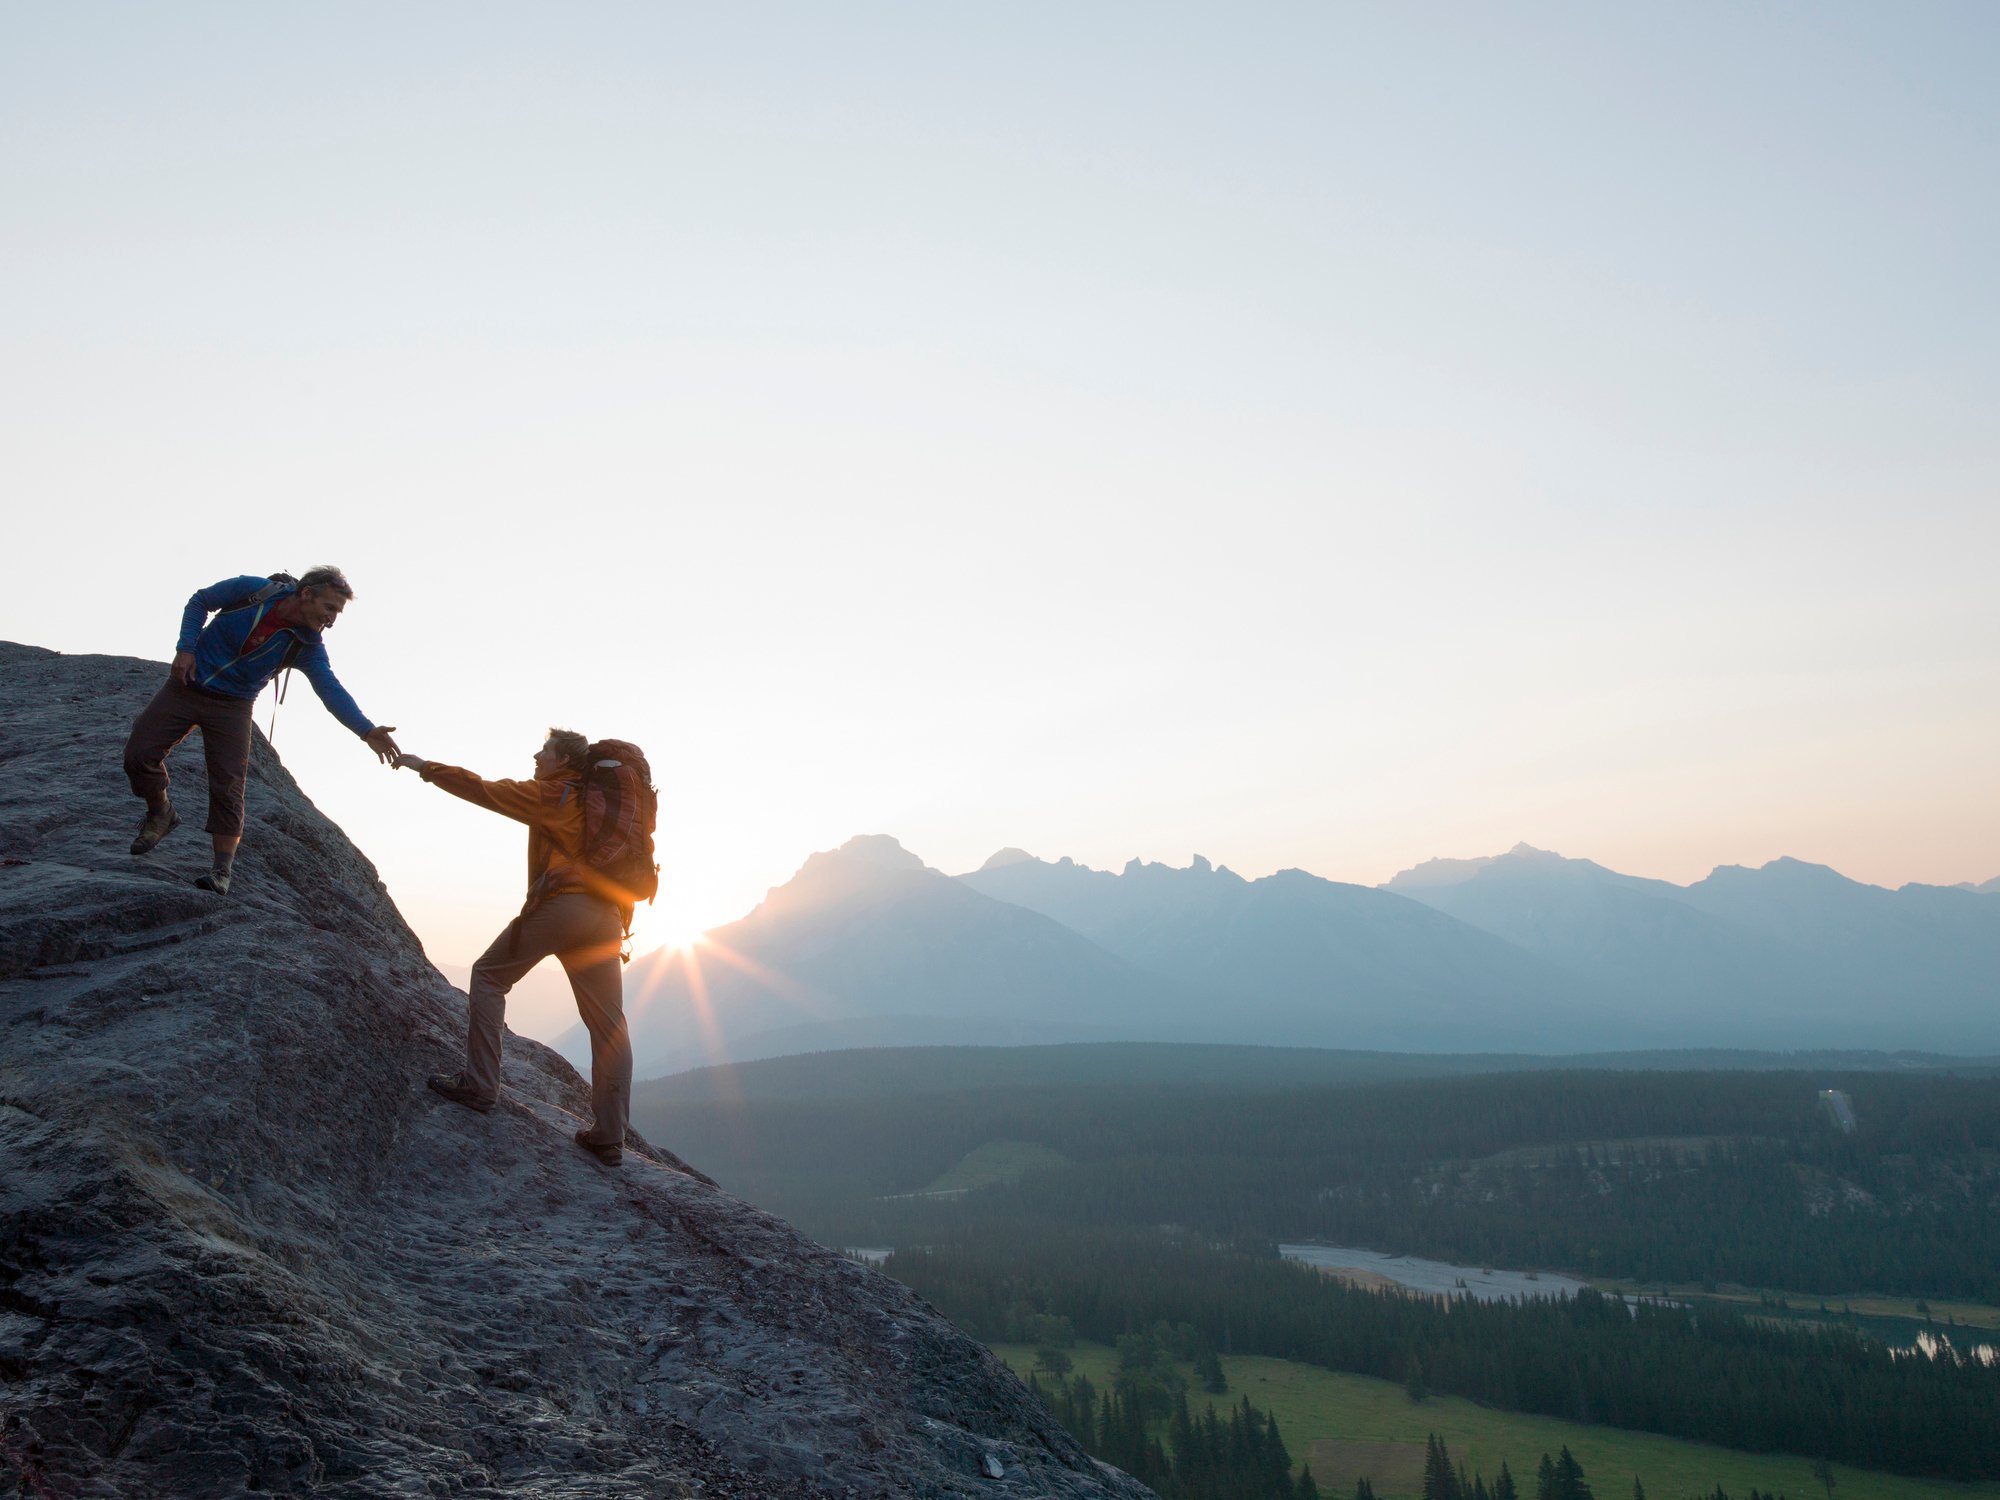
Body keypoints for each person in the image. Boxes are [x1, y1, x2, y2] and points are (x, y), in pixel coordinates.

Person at [394, 730, 635, 1167]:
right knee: (609, 1025)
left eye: (543, 751)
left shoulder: (553, 794)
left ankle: (480, 1086)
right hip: (609, 917)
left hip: (563, 907)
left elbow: (484, 790)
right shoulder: (602, 805)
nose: (536, 755)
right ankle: (609, 1136)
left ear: (562, 759)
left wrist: (424, 768)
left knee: (488, 975)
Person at [124, 567, 399, 894]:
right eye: (329, 608)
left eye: (337, 613)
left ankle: (221, 871)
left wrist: (366, 731)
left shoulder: (308, 646)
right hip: (186, 686)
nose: (332, 619)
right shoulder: (254, 592)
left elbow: (330, 689)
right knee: (139, 755)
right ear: (307, 593)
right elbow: (201, 601)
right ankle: (161, 812)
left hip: (233, 706)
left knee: (228, 784)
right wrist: (186, 648)